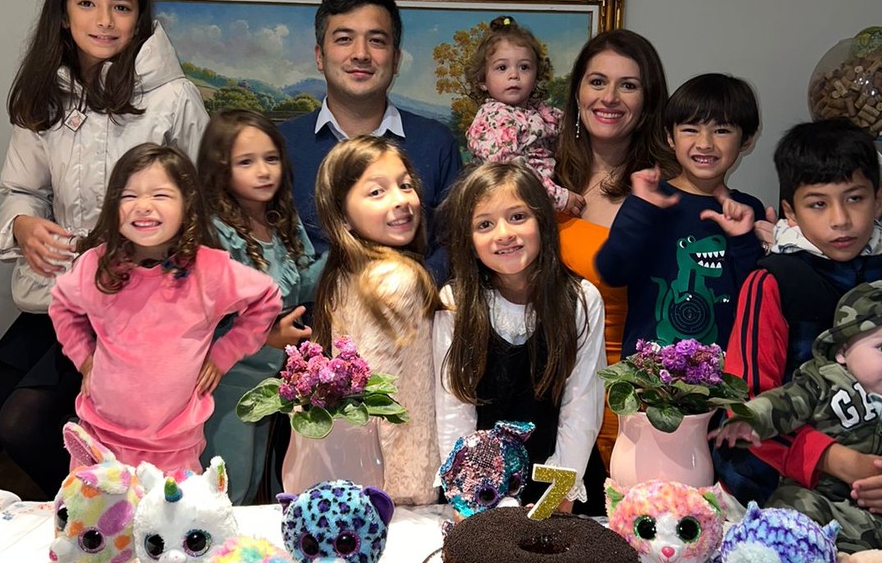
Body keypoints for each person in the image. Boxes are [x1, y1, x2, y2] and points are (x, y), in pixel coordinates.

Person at [0, 0, 207, 497]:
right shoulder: (45, 93)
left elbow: (204, 208)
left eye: (121, 6)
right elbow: (22, 188)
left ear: (141, 16)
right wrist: (23, 226)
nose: (104, 20)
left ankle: (111, 514)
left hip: (136, 303)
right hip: (60, 293)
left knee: (21, 424)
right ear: (63, 12)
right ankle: (96, 517)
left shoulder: (174, 98)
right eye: (88, 2)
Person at [714, 118, 882, 514]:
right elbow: (744, 406)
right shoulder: (772, 282)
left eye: (855, 198)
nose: (840, 219)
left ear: (880, 200)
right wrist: (839, 460)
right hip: (784, 487)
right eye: (818, 203)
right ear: (791, 212)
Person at [49, 143, 280, 473]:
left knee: (170, 524)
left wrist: (223, 354)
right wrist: (84, 359)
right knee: (96, 520)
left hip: (174, 449)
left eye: (160, 195)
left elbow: (266, 298)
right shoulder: (95, 266)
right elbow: (61, 305)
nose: (143, 206)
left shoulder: (209, 269)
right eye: (129, 196)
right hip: (99, 439)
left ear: (187, 206)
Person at [713, 281, 882, 563]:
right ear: (842, 351)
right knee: (790, 517)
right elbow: (783, 402)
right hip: (823, 502)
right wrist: (750, 419)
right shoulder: (823, 382)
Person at [434, 162, 607, 514]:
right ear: (469, 239)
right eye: (485, 224)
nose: (503, 234)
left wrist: (560, 496)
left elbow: (582, 404)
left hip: (559, 479)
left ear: (542, 221)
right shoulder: (456, 302)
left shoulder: (582, 299)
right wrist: (467, 493)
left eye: (517, 217)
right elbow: (453, 408)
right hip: (481, 488)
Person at [280, 0, 461, 283]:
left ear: (396, 59)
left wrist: (404, 292)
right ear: (320, 57)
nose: (361, 54)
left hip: (417, 322)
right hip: (311, 327)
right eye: (344, 39)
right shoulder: (282, 147)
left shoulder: (436, 142)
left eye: (376, 41)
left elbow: (454, 243)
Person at [553, 30, 674, 468]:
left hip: (638, 396)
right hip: (547, 395)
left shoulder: (670, 189)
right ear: (578, 92)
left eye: (629, 85)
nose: (610, 97)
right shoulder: (540, 177)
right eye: (597, 81)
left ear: (648, 101)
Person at [198, 109, 326, 504]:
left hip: (266, 384)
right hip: (224, 385)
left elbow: (303, 279)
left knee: (256, 480)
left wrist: (346, 246)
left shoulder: (279, 220)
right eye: (246, 162)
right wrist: (270, 336)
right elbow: (206, 319)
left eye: (270, 159)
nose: (263, 171)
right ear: (220, 169)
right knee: (224, 484)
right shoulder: (215, 233)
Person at [595, 73, 764, 358]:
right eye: (690, 129)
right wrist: (639, 208)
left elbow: (755, 300)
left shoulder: (747, 211)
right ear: (669, 137)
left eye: (721, 130)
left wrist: (744, 239)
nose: (705, 143)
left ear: (746, 139)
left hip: (722, 383)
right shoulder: (651, 201)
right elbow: (611, 271)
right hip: (647, 381)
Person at [313, 136, 440, 505]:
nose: (401, 200)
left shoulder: (343, 276)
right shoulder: (397, 279)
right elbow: (375, 399)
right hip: (398, 484)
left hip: (358, 476)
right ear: (341, 217)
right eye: (376, 192)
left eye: (405, 185)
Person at [464, 16, 584, 215]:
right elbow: (510, 173)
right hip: (506, 205)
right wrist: (560, 197)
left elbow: (568, 128)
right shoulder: (494, 117)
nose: (514, 75)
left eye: (524, 67)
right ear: (482, 80)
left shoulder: (540, 111)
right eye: (502, 68)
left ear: (537, 76)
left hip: (538, 203)